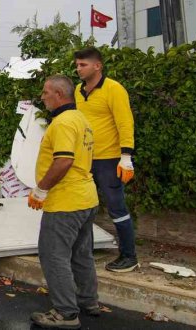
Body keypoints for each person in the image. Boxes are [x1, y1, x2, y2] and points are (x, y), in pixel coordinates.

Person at [28, 75, 100, 329]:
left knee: (53, 255)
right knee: (81, 254)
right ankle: (88, 301)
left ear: (59, 94)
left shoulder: (63, 123)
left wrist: (41, 190)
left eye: (46, 92)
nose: (43, 96)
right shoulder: (81, 120)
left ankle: (66, 313)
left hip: (65, 202)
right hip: (86, 198)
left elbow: (64, 160)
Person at [73, 47, 138, 273]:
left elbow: (125, 122)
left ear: (97, 66)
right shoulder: (78, 91)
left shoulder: (114, 89)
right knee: (84, 207)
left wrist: (126, 156)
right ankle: (83, 252)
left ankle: (129, 256)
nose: (78, 69)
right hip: (85, 159)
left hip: (109, 160)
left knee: (116, 207)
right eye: (77, 65)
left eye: (83, 65)